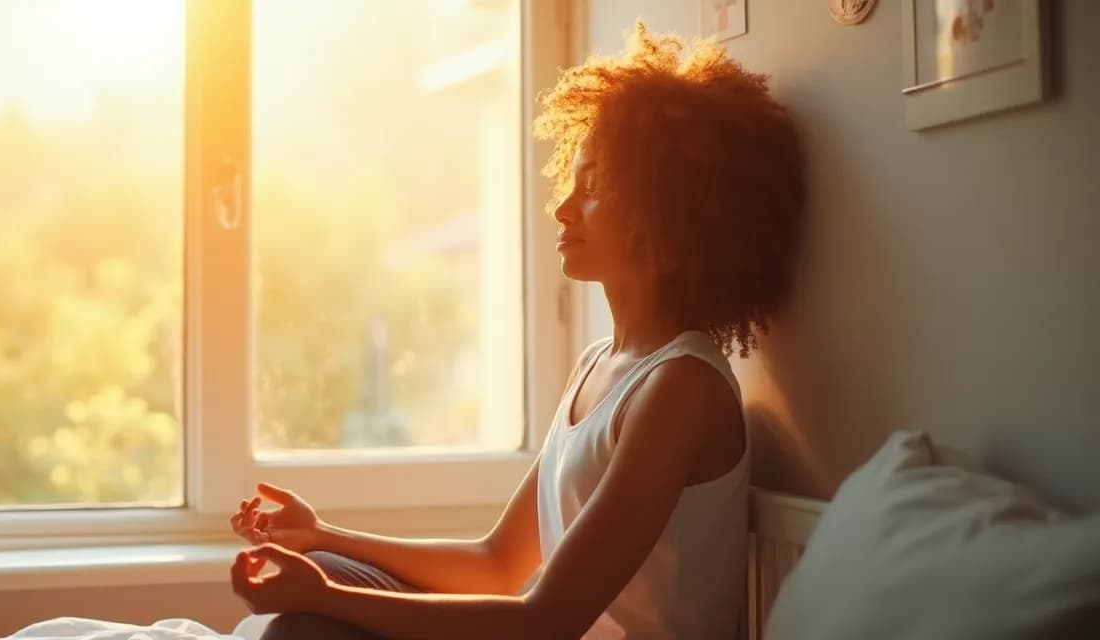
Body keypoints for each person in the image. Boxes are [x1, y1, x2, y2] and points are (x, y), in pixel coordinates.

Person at [228, 22, 806, 640]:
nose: (563, 207)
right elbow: (499, 565)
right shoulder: (598, 365)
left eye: (593, 187)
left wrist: (326, 599)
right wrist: (322, 537)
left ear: (667, 215)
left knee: (307, 624)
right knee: (324, 576)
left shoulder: (681, 389)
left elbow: (546, 620)